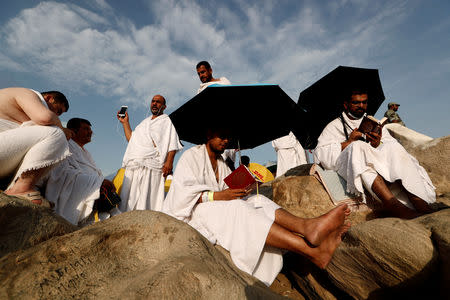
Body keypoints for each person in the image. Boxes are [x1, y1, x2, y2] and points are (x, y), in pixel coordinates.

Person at [163, 127, 350, 286]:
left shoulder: (221, 163)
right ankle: (311, 251)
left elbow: (228, 189)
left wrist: (243, 189)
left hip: (215, 208)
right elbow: (181, 196)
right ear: (209, 135)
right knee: (238, 208)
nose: (225, 141)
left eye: (228, 138)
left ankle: (307, 227)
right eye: (222, 136)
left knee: (258, 200)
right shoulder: (191, 156)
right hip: (192, 213)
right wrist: (219, 195)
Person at [314, 90, 435, 219]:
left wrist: (377, 143)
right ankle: (393, 205)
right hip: (349, 163)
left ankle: (417, 198)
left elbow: (388, 144)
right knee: (358, 147)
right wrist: (349, 141)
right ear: (346, 105)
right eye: (356, 102)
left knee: (393, 146)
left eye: (364, 102)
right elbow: (321, 154)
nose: (361, 105)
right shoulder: (334, 126)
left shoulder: (374, 122)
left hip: (374, 159)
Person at [0, 87, 71, 205]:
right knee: (55, 133)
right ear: (49, 98)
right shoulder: (26, 93)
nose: (57, 116)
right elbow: (45, 117)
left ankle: (21, 187)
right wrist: (62, 128)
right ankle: (20, 189)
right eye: (57, 111)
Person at [41, 118, 118, 224]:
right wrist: (97, 182)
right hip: (81, 192)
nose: (90, 132)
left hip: (93, 192)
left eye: (90, 130)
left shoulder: (86, 153)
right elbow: (61, 173)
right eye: (86, 129)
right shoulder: (65, 145)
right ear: (73, 130)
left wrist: (100, 182)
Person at [117, 95, 183, 212]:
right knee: (130, 197)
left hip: (153, 164)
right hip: (135, 163)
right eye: (153, 101)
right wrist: (125, 123)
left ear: (164, 106)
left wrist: (169, 162)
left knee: (148, 198)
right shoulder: (144, 123)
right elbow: (131, 139)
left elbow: (172, 143)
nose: (154, 103)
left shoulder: (167, 121)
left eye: (158, 102)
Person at [196, 60, 235, 170]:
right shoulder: (201, 90)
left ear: (210, 70)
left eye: (203, 72)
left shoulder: (224, 81)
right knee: (213, 161)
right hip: (212, 130)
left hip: (226, 124)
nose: (201, 76)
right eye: (199, 74)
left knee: (229, 162)